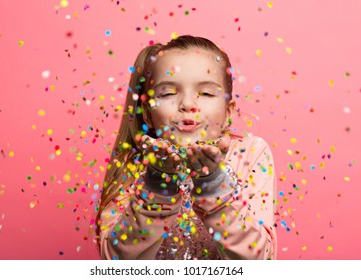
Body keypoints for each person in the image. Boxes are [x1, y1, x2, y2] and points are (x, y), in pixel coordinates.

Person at [94, 35, 277, 260]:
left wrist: (213, 183)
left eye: (207, 93)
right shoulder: (135, 160)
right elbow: (117, 264)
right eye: (169, 93)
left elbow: (261, 261)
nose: (188, 104)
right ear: (148, 114)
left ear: (228, 112)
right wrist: (158, 185)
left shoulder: (249, 153)